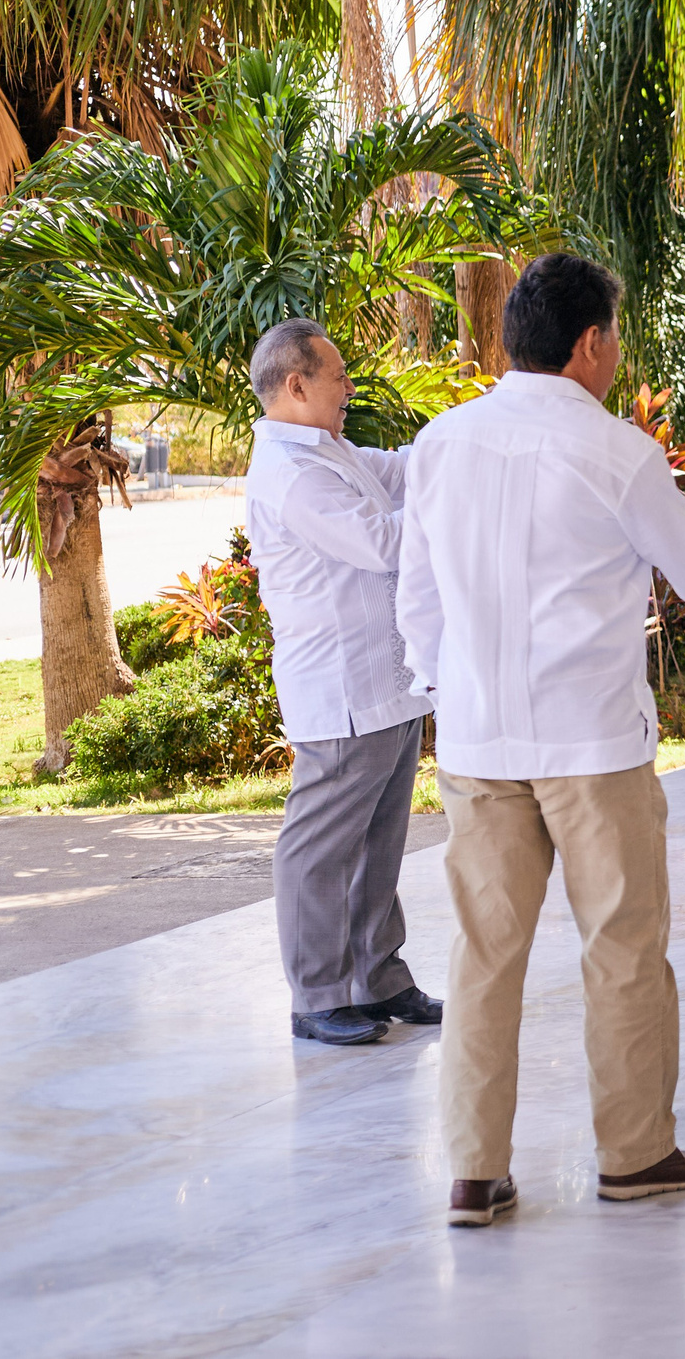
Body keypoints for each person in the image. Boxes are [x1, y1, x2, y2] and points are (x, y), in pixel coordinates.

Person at [398, 254, 685, 1230]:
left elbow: (416, 601)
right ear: (592, 344)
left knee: (483, 955)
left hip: (479, 745)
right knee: (623, 949)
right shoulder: (617, 454)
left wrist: (459, 694)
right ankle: (635, 1153)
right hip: (593, 746)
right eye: (617, 337)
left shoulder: (440, 444)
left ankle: (474, 1173)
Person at [242, 319, 442, 1048]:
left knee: (380, 842)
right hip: (340, 689)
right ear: (295, 385)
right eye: (338, 375)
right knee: (321, 848)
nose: (350, 385)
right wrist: (445, 504)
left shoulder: (327, 449)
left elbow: (398, 470)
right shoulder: (291, 475)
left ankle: (378, 975)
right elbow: (385, 541)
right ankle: (319, 993)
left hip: (387, 684)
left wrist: (461, 446)